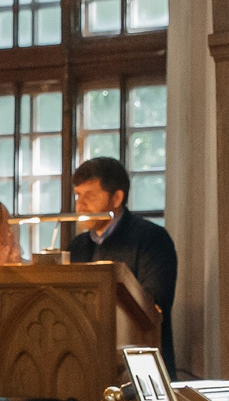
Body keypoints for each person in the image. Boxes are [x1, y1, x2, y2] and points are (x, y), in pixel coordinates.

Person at [69, 154, 179, 376]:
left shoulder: (152, 239)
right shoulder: (77, 246)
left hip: (141, 368)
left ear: (117, 198)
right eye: (78, 196)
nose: (81, 205)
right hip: (86, 366)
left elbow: (154, 305)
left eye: (89, 196)